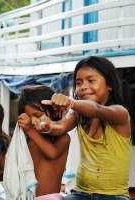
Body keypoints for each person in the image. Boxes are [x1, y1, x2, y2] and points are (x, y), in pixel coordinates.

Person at [40, 56, 131, 200]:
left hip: (114, 196)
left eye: (91, 80)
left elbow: (96, 110)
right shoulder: (78, 113)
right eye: (78, 83)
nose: (83, 87)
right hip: (80, 193)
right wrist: (47, 124)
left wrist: (70, 102)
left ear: (109, 84)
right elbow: (59, 127)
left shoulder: (120, 113)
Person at [17, 85, 70, 199]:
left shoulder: (63, 137)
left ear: (54, 113)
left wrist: (29, 130)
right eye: (28, 117)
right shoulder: (26, 139)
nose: (33, 121)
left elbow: (52, 153)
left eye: (37, 115)